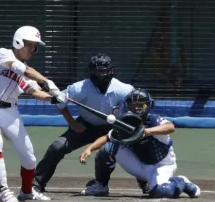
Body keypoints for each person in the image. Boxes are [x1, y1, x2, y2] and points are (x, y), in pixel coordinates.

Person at [32, 53, 149, 194]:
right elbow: (60, 102)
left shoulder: (123, 89)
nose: (101, 75)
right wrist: (72, 123)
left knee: (137, 147)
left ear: (111, 70)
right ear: (90, 71)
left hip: (114, 128)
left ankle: (146, 183)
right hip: (85, 126)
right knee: (57, 147)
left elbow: (136, 105)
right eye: (97, 71)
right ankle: (36, 184)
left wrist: (126, 122)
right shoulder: (78, 88)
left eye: (105, 71)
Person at [0, 25, 65, 202]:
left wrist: (55, 98)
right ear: (19, 42)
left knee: (29, 157)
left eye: (35, 46)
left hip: (10, 112)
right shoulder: (3, 54)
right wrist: (47, 81)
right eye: (30, 45)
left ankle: (26, 192)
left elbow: (35, 92)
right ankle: (2, 190)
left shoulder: (27, 71)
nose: (33, 50)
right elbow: (22, 70)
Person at [79, 88, 201, 199]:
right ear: (128, 105)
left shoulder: (153, 120)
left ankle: (181, 181)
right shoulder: (126, 124)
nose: (136, 106)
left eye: (140, 103)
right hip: (140, 166)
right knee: (108, 148)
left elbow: (170, 127)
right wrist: (89, 149)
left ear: (148, 105)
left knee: (162, 192)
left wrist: (146, 132)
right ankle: (100, 186)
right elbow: (107, 137)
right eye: (133, 103)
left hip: (162, 166)